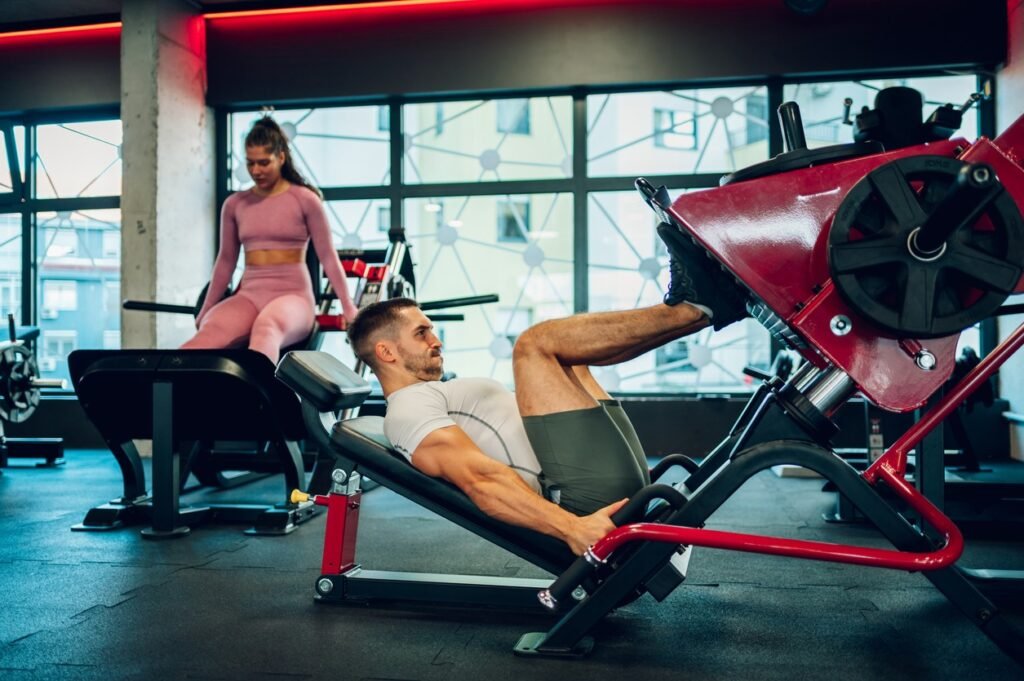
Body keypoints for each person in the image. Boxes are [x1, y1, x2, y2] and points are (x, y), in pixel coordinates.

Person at [346, 222, 749, 555]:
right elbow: (481, 479)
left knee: (570, 353)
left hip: (598, 479)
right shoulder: (408, 411)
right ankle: (693, 307)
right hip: (579, 499)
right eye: (421, 333)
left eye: (432, 330)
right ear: (386, 352)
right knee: (534, 344)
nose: (436, 341)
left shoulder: (429, 396)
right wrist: (572, 528)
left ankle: (705, 311)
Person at [181, 117, 359, 364]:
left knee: (267, 327)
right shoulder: (235, 204)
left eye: (264, 162)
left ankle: (257, 391)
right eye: (250, 163)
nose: (256, 171)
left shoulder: (305, 199)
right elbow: (226, 261)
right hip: (249, 296)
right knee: (208, 333)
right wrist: (205, 310)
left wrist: (348, 307)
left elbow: (328, 257)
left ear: (281, 158)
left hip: (294, 297)